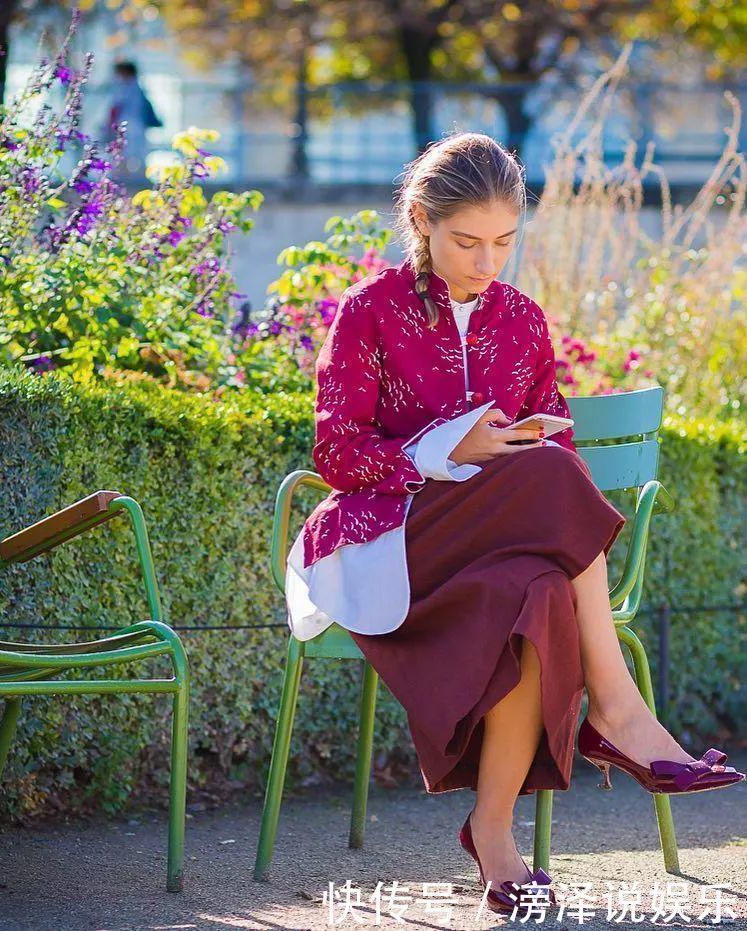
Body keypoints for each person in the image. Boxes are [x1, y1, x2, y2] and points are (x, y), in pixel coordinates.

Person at [285, 131, 745, 915]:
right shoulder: (369, 311)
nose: (486, 260)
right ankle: (617, 707)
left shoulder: (522, 320)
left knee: (537, 591)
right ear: (421, 220)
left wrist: (515, 444)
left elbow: (550, 437)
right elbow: (335, 452)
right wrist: (444, 449)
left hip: (494, 547)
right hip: (393, 543)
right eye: (466, 241)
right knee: (553, 476)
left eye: (503, 240)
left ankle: (492, 832)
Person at [107, 60, 162, 183]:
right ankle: (140, 179)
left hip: (126, 126)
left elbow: (115, 108)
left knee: (123, 153)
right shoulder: (138, 87)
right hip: (138, 126)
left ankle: (121, 180)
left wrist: (109, 124)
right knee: (138, 154)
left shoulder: (123, 88)